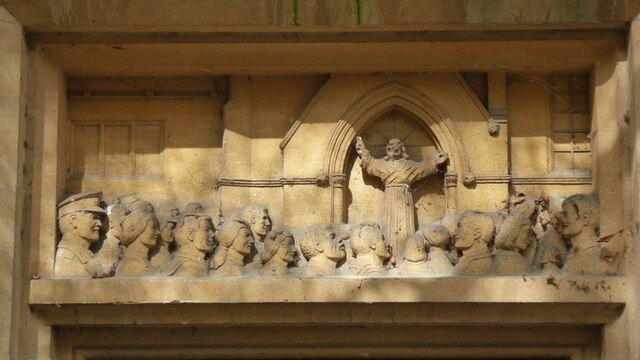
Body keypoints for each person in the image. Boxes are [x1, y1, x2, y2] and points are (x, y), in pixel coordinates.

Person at [355, 136, 448, 257]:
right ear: (388, 149)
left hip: (405, 199)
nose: (395, 148)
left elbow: (423, 167)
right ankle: (390, 256)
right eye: (392, 146)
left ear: (402, 148)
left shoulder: (409, 165)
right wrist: (362, 150)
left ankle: (409, 255)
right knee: (390, 230)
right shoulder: (383, 165)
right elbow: (371, 164)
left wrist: (435, 160)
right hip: (390, 198)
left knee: (405, 230)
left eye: (398, 145)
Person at [560, 194, 621, 275]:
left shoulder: (597, 259)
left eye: (565, 214)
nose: (561, 219)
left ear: (585, 218)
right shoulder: (574, 253)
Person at [54, 192, 107, 277]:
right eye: (93, 218)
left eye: (99, 219)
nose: (99, 224)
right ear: (74, 220)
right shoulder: (67, 258)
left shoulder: (86, 253)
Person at [115, 210, 160, 276]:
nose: (158, 232)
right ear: (137, 230)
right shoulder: (132, 263)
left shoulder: (142, 260)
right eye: (153, 227)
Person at [452, 211, 494, 276]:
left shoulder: (472, 266)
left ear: (477, 233)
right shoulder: (467, 263)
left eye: (460, 227)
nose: (454, 233)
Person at [150, 204, 181, 269]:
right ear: (161, 227)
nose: (175, 232)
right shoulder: (158, 256)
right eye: (172, 228)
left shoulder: (169, 253)